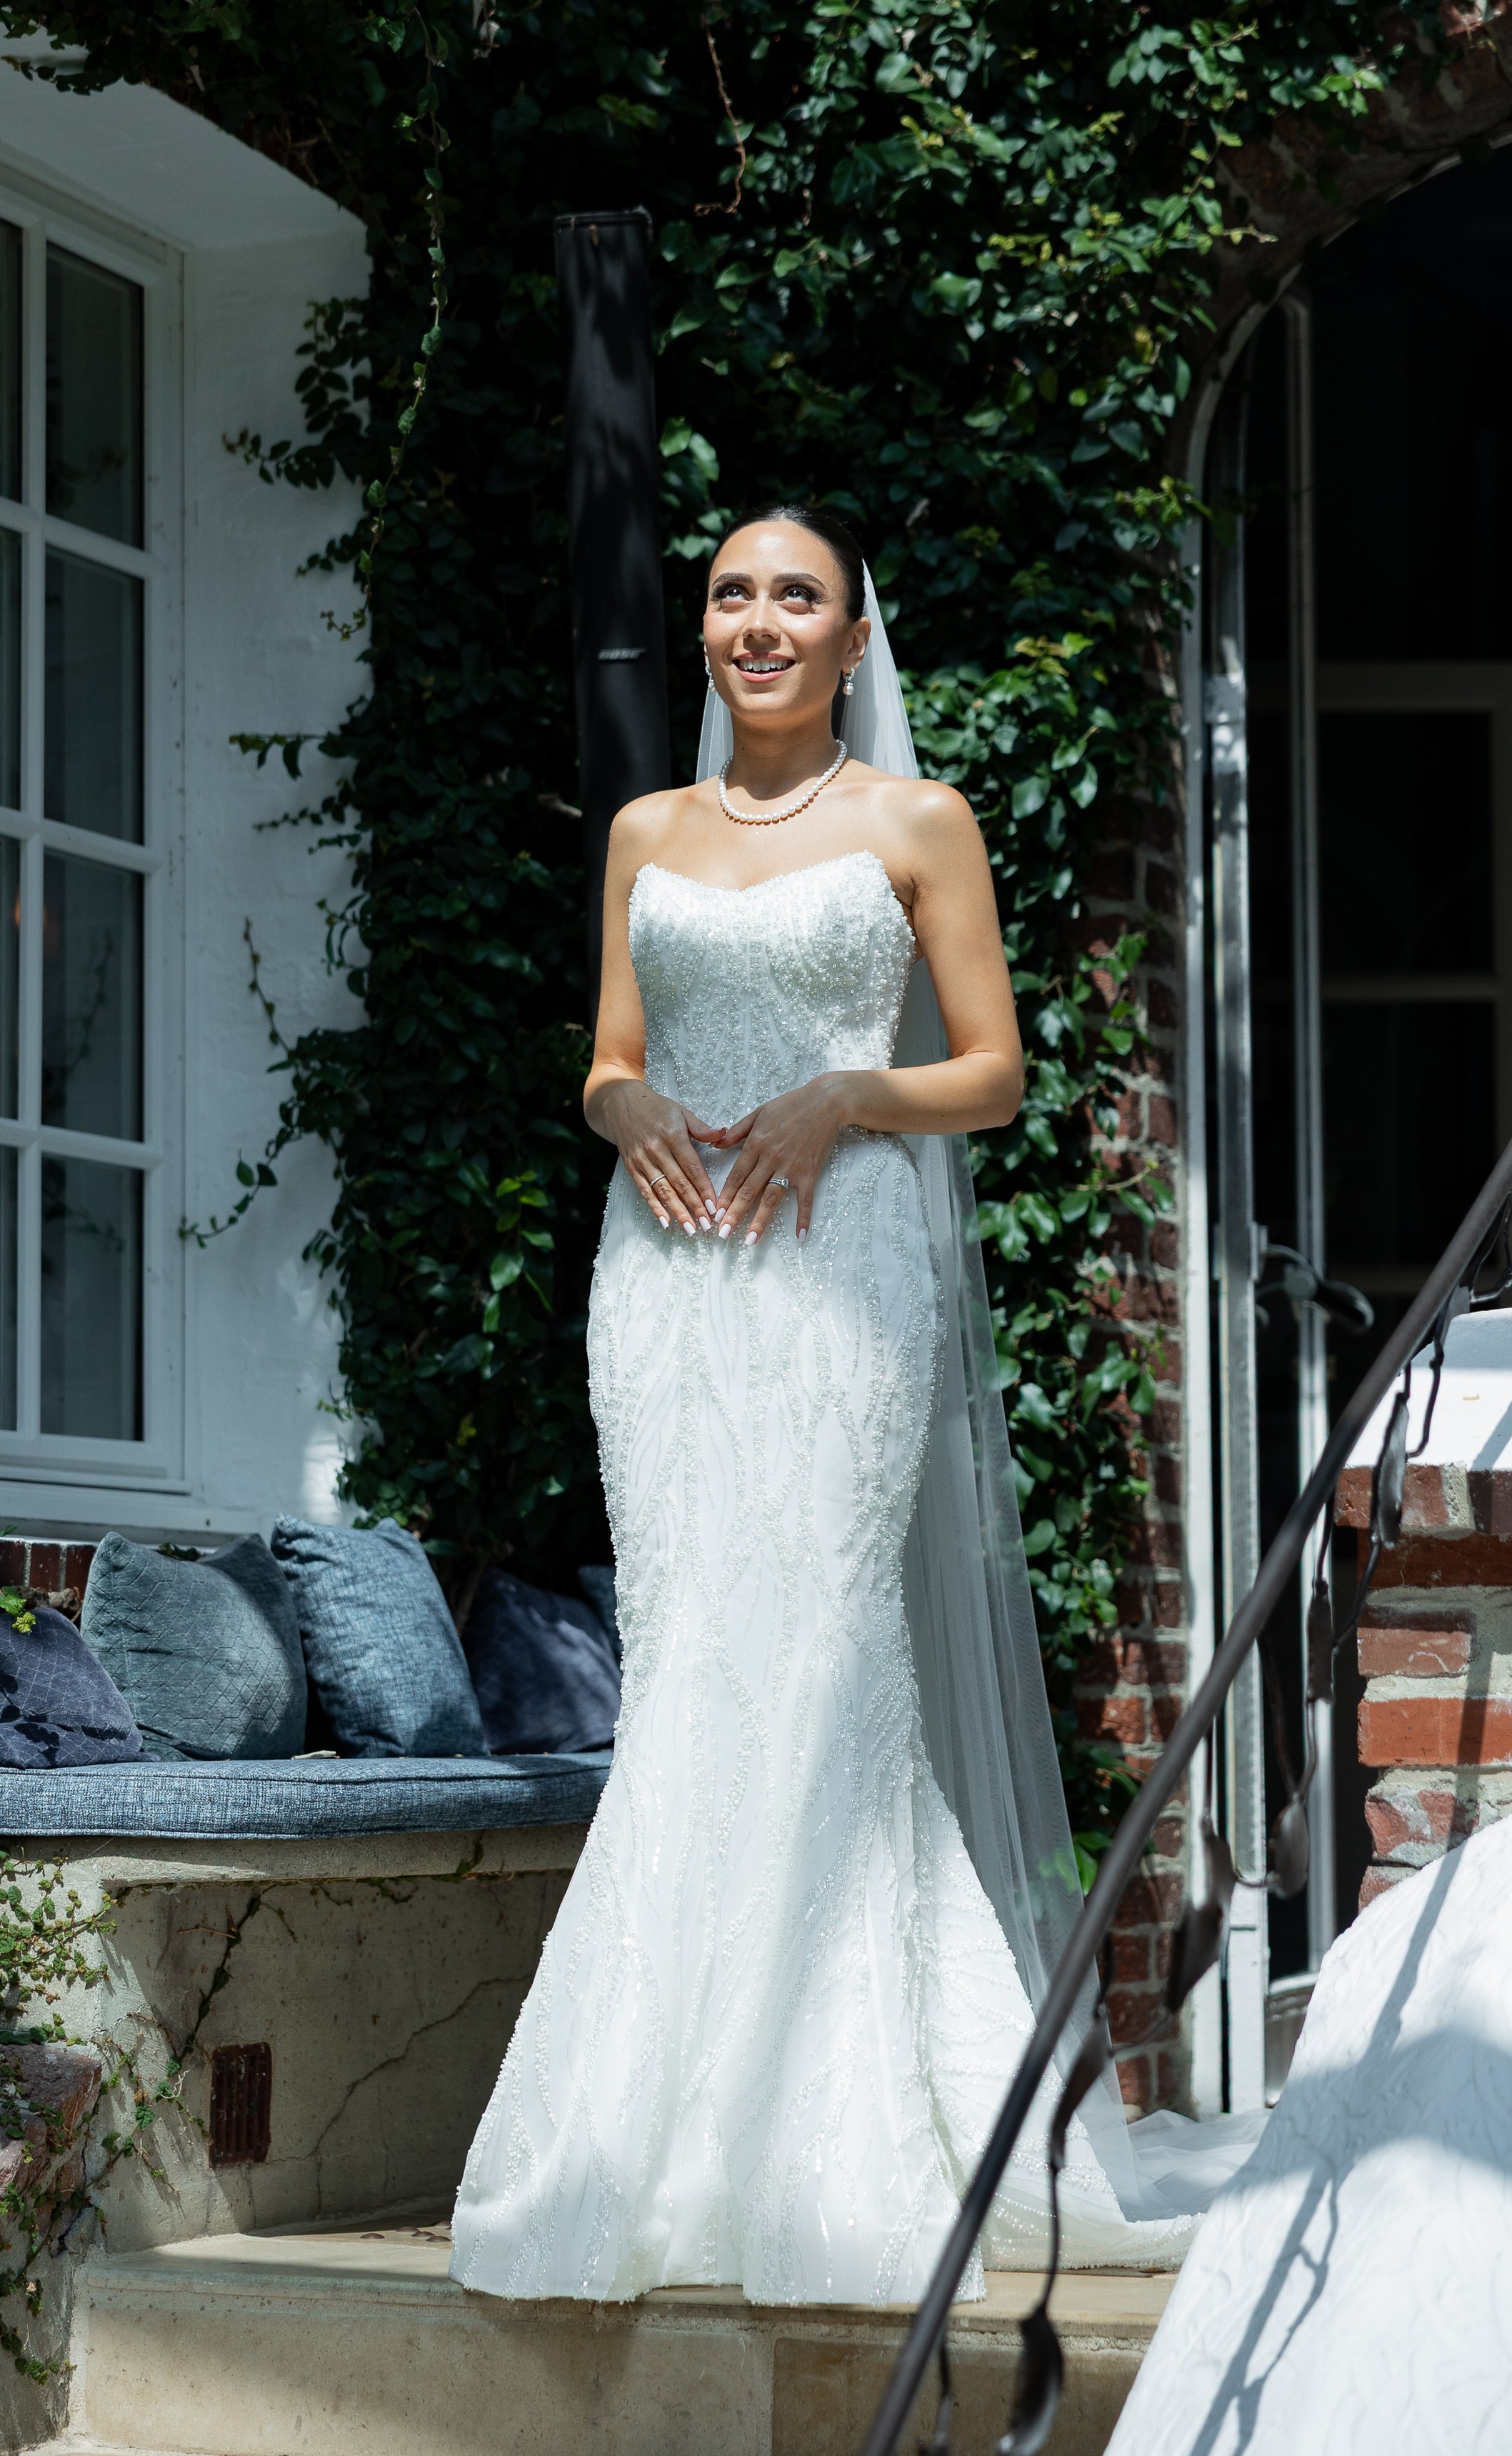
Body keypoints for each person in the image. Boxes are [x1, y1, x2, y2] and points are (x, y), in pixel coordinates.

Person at [451, 506, 1213, 2307]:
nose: (758, 623)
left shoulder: (911, 821)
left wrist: (842, 1098)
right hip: (665, 1297)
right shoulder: (646, 830)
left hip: (837, 1285)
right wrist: (617, 1106)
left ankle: (845, 2125)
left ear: (853, 636)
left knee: (819, 1657)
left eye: (795, 596)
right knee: (693, 1664)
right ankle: (643, 2137)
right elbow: (609, 1051)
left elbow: (997, 1070)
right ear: (704, 631)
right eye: (729, 596)